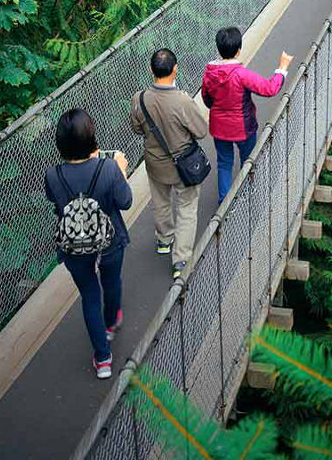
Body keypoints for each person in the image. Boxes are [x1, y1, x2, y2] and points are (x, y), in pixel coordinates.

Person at [44, 109, 132, 379]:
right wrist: (121, 169)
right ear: (92, 138)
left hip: (75, 248)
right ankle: (111, 323)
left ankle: (103, 358)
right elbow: (125, 201)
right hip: (109, 241)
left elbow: (55, 201)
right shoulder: (108, 168)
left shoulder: (53, 175)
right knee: (112, 281)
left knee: (90, 296)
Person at [130, 48, 209, 281]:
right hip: (183, 167)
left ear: (150, 70)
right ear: (175, 69)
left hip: (155, 164)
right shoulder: (182, 100)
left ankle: (164, 240)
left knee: (161, 202)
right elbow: (201, 131)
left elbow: (136, 129)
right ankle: (180, 259)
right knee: (186, 208)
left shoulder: (140, 98)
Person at [202, 27, 293, 200]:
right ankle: (247, 193)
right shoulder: (241, 75)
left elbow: (207, 99)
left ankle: (225, 203)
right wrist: (282, 67)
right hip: (243, 128)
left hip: (219, 128)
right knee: (248, 160)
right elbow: (269, 89)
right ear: (238, 50)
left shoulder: (209, 73)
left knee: (224, 163)